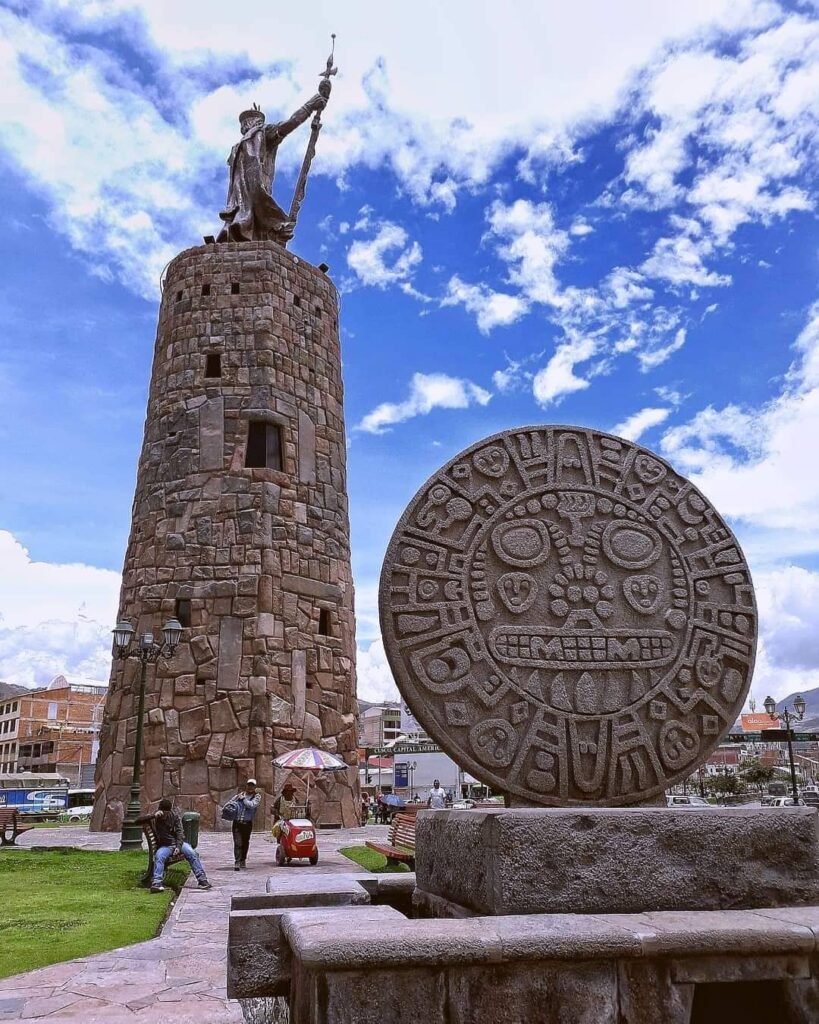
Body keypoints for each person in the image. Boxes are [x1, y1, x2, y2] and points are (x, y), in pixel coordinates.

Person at [139, 798, 211, 893]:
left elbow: (180, 833)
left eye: (167, 813)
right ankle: (157, 883)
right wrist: (153, 816)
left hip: (178, 844)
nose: (165, 815)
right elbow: (137, 821)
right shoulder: (155, 817)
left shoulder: (174, 816)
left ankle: (202, 880)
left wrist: (178, 846)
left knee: (192, 853)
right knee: (159, 856)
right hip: (165, 846)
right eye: (163, 812)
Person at [232, 778, 262, 871]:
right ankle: (237, 861)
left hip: (247, 824)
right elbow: (232, 803)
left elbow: (251, 805)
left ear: (255, 787)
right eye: (249, 785)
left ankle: (243, 860)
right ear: (246, 785)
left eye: (252, 785)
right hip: (237, 823)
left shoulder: (257, 797)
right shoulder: (240, 795)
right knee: (237, 843)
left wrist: (244, 799)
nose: (250, 787)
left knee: (245, 843)